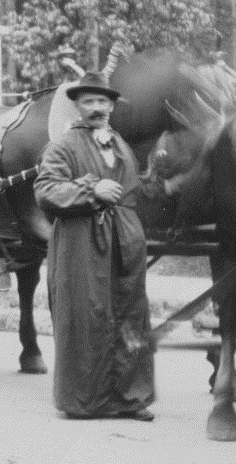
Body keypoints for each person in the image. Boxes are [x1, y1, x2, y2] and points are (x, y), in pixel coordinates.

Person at [34, 70, 156, 422]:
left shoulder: (119, 144)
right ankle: (86, 401)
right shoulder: (62, 146)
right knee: (87, 315)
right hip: (82, 243)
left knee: (129, 314)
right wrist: (91, 191)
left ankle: (131, 398)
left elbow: (133, 188)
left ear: (112, 106)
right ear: (77, 106)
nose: (97, 107)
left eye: (103, 101)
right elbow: (45, 190)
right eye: (89, 101)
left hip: (125, 242)